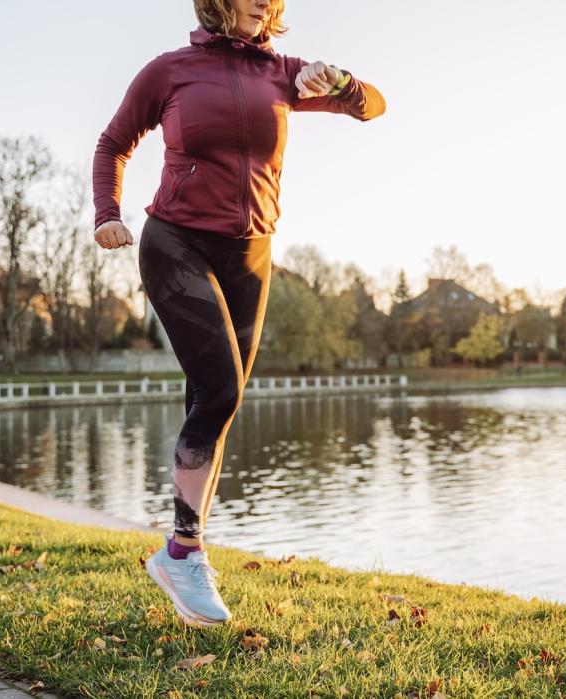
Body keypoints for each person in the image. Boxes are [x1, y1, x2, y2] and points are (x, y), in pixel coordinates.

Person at [91, 0, 385, 627]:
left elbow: (373, 107)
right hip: (176, 241)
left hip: (251, 254)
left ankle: (184, 554)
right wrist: (108, 214)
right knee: (221, 388)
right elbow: (115, 141)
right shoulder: (168, 71)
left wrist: (341, 83)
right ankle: (184, 551)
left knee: (213, 402)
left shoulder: (284, 72)